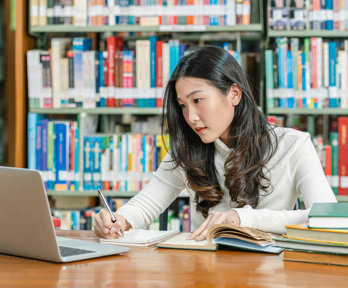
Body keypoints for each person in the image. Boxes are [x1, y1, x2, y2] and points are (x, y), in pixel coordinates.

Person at [93, 45, 336, 240]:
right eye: (183, 105)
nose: (191, 117)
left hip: (269, 272)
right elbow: (147, 203)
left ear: (234, 94)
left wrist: (242, 218)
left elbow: (328, 219)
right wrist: (118, 220)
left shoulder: (293, 146)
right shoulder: (189, 149)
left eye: (198, 100)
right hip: (204, 270)